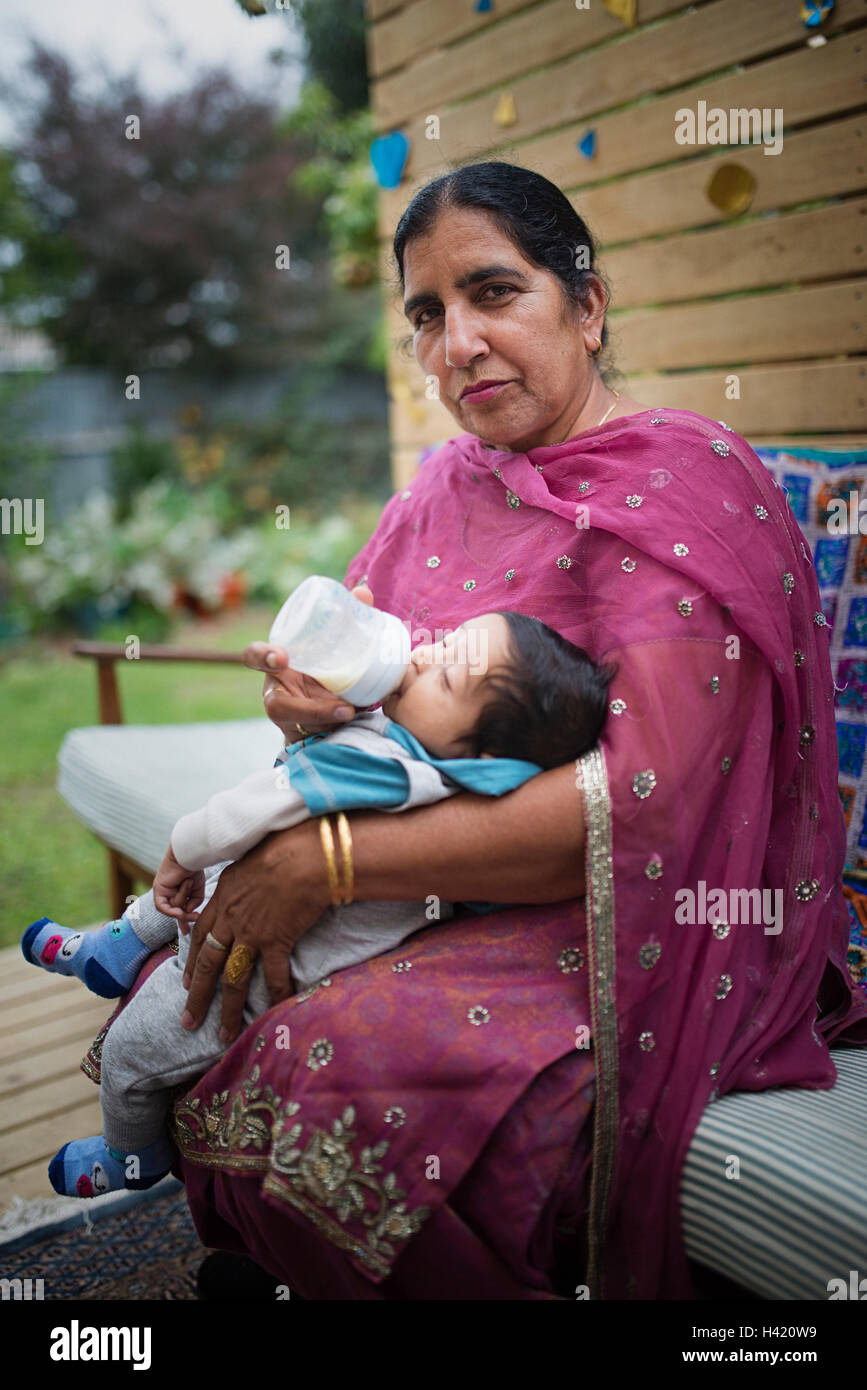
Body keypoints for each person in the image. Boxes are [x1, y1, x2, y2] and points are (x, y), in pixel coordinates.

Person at [86, 161, 867, 1299]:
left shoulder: (692, 488)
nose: (457, 344)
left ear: (586, 306)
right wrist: (310, 707)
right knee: (200, 978)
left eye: (495, 294)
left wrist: (331, 861)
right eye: (426, 316)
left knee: (333, 1054)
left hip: (643, 909)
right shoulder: (448, 487)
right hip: (438, 888)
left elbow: (650, 803)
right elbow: (376, 689)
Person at [24, 608, 611, 1198]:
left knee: (132, 1047)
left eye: (447, 677)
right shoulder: (430, 766)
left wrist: (182, 848)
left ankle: (131, 1153)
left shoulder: (382, 770)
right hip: (248, 899)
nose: (425, 655)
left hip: (249, 971)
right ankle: (113, 949)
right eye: (447, 644)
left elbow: (252, 809)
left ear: (487, 760)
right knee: (199, 890)